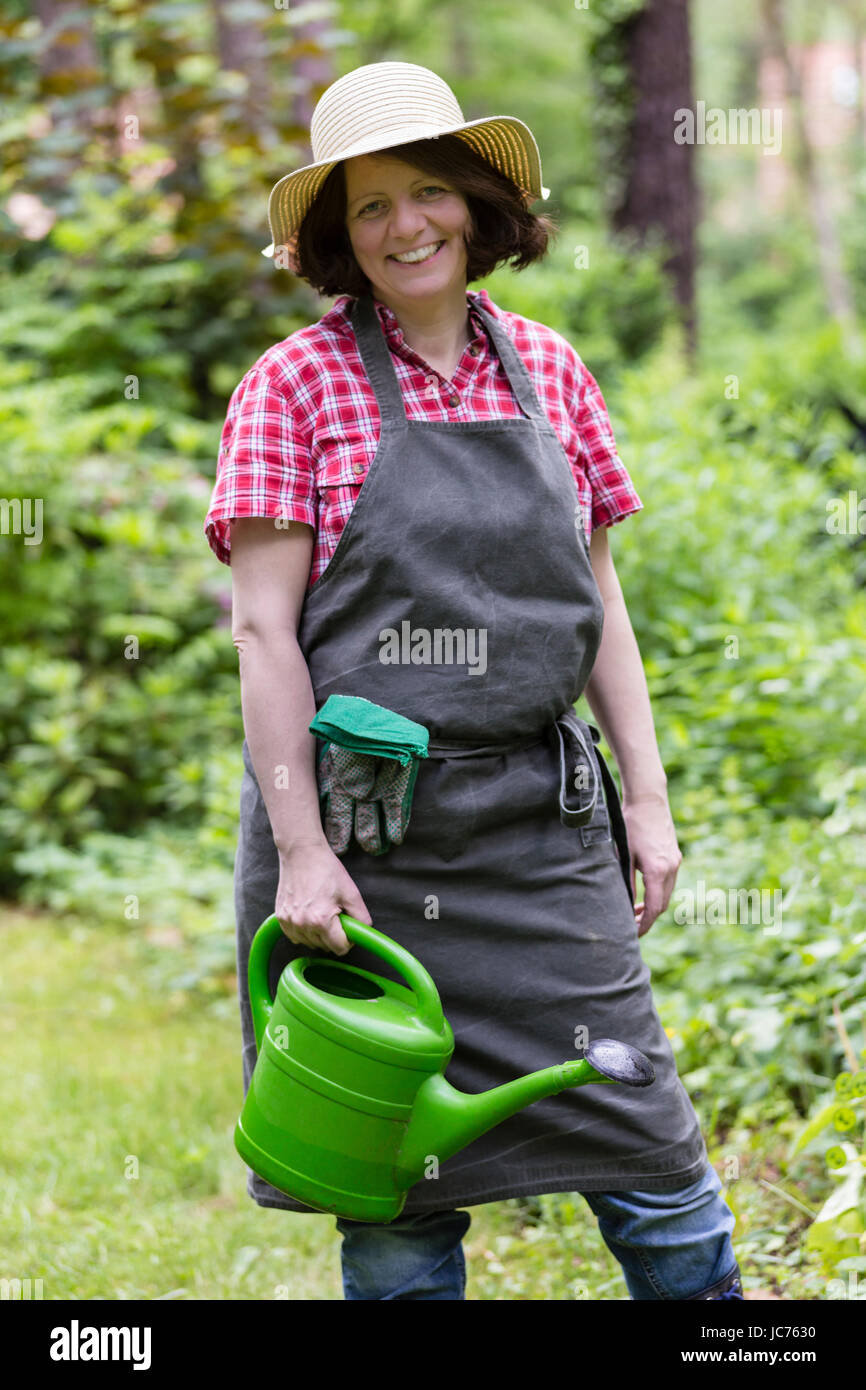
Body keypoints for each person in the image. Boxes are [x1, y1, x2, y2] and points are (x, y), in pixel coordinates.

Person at [204, 60, 743, 1302]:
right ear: (340, 235)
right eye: (371, 205)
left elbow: (596, 598)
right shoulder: (293, 386)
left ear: (476, 204)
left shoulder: (549, 369)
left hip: (540, 823)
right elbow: (263, 638)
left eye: (428, 192)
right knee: (395, 1194)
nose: (407, 226)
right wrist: (298, 849)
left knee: (646, 1139)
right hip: (365, 829)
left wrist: (646, 804)